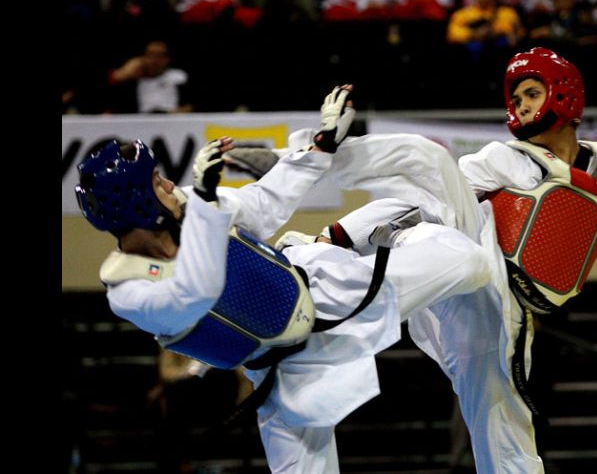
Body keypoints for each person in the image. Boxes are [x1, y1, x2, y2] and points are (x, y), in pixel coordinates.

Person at [272, 46, 597, 473]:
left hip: (500, 312)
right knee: (431, 168)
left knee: (506, 431)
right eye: (516, 99)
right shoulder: (503, 158)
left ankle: (317, 296)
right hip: (461, 258)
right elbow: (418, 203)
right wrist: (336, 237)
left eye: (530, 93)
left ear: (563, 92)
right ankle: (313, 176)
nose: (521, 106)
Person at [73, 85, 492, 473]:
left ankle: (383, 230)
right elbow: (195, 293)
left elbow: (263, 202)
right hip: (278, 375)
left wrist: (321, 146)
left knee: (470, 260)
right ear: (136, 203)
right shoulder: (130, 290)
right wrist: (202, 204)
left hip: (327, 295)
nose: (168, 182)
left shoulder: (188, 205)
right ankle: (363, 233)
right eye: (155, 182)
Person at [108, 40, 194, 113]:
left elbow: (190, 105)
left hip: (170, 120)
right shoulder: (135, 78)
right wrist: (126, 70)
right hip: (143, 122)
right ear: (144, 58)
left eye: (159, 56)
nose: (155, 60)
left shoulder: (178, 76)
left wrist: (179, 112)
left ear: (167, 59)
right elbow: (114, 79)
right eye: (151, 55)